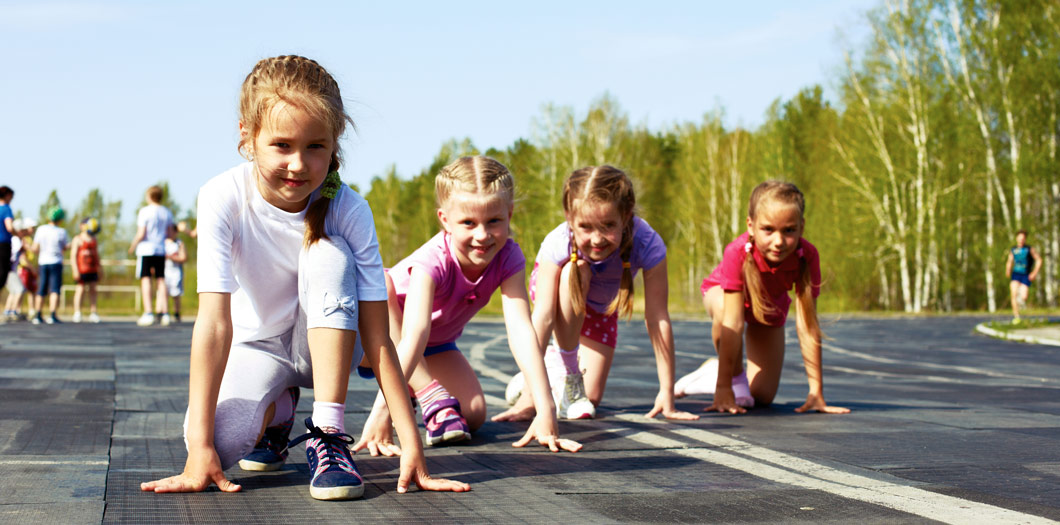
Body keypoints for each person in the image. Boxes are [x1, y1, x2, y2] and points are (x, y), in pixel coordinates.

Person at [140, 55, 468, 501]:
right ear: (247, 137)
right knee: (216, 446)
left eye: (315, 146)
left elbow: (378, 335)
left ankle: (328, 435)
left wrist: (411, 441)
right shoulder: (222, 197)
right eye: (281, 145)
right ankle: (279, 412)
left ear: (335, 144)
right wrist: (198, 448)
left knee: (327, 255)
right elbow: (214, 323)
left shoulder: (349, 208)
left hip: (331, 351)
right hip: (259, 347)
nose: (298, 164)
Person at [355, 156, 581, 455]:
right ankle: (424, 392)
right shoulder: (432, 260)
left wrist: (546, 408)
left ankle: (417, 391)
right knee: (381, 287)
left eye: (494, 222)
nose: (482, 235)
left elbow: (522, 331)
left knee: (472, 414)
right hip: (374, 340)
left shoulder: (509, 257)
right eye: (468, 223)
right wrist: (385, 411)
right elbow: (414, 334)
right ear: (445, 220)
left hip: (434, 346)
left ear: (509, 214)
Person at [505, 165, 698, 422]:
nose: (597, 239)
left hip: (600, 308)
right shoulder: (557, 242)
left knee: (592, 398)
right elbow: (543, 318)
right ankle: (558, 373)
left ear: (626, 216)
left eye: (608, 226)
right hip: (557, 297)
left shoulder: (648, 244)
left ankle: (553, 369)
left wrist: (666, 393)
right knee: (578, 270)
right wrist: (531, 397)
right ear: (569, 217)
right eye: (585, 227)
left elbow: (658, 318)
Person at [673, 180, 849, 415]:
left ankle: (715, 370)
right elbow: (733, 323)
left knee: (762, 396)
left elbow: (807, 325)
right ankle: (727, 377)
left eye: (789, 230)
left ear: (801, 227)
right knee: (726, 311)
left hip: (768, 307)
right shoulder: (736, 251)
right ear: (751, 226)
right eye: (768, 229)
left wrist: (816, 391)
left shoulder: (807, 256)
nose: (778, 241)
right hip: (725, 299)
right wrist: (723, 388)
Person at [128, 185, 174, 326]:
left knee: (146, 279)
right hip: (160, 249)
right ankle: (165, 313)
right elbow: (171, 234)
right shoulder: (167, 212)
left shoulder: (145, 211)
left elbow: (141, 233)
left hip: (146, 250)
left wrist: (133, 245)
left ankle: (149, 312)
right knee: (161, 280)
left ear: (149, 196)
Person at [31, 207, 68, 325]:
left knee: (41, 289)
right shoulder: (61, 231)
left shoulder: (41, 230)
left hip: (43, 262)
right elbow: (64, 247)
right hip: (56, 262)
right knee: (55, 289)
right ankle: (52, 315)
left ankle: (38, 314)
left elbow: (35, 248)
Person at [1005, 229, 1042, 323]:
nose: (1021, 240)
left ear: (1025, 239)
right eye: (1019, 237)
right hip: (1016, 274)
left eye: (1023, 238)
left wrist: (1034, 272)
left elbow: (1039, 260)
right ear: (1017, 238)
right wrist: (1008, 269)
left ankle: (1020, 302)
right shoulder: (1013, 250)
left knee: (1024, 296)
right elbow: (1010, 261)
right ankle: (1016, 317)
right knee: (1013, 293)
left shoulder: (1029, 249)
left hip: (1026, 275)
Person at [71, 217, 103, 323]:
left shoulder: (94, 239)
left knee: (93, 290)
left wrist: (100, 268)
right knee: (80, 290)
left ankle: (93, 312)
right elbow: (73, 256)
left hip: (92, 268)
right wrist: (75, 269)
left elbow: (97, 256)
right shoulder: (78, 239)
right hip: (82, 269)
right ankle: (77, 312)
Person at [14, 219, 38, 321]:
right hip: (24, 268)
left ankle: (32, 310)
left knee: (31, 290)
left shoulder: (29, 239)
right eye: (31, 228)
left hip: (29, 268)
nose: (33, 230)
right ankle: (15, 310)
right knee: (20, 290)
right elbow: (23, 256)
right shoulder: (22, 240)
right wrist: (32, 268)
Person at [164, 221, 188, 323]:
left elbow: (184, 257)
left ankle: (177, 313)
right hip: (165, 271)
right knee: (163, 292)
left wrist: (171, 258)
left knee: (176, 294)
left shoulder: (179, 243)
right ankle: (163, 313)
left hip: (176, 272)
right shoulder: (162, 243)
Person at [4, 218, 26, 321]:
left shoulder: (13, 240)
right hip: (10, 269)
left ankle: (7, 311)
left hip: (9, 269)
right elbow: (13, 255)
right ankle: (14, 312)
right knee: (20, 289)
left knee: (13, 291)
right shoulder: (16, 240)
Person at [0, 187, 14, 293]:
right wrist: (18, 234)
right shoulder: (6, 209)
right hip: (3, 245)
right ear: (8, 195)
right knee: (3, 274)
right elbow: (9, 227)